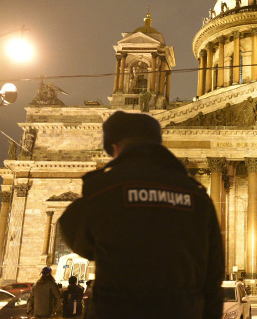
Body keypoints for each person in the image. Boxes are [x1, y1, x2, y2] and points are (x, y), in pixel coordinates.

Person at [58, 111, 224, 319]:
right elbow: (214, 276)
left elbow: (73, 234)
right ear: (158, 144)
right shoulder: (197, 196)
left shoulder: (105, 190)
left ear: (116, 147)